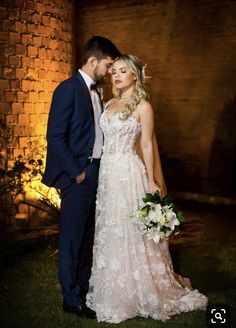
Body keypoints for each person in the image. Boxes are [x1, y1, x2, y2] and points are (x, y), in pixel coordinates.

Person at [86, 54, 208, 323]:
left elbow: (147, 145)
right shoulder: (109, 103)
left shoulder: (143, 106)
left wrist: (152, 180)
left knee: (132, 229)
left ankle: (144, 288)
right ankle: (114, 291)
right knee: (111, 227)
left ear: (134, 76)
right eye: (114, 71)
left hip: (129, 173)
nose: (117, 75)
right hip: (108, 174)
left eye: (123, 71)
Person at [42, 36, 121, 319]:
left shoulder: (97, 92)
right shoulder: (68, 89)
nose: (111, 71)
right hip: (79, 174)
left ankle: (84, 291)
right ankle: (71, 299)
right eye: (109, 65)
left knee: (88, 236)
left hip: (99, 171)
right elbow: (55, 136)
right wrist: (77, 173)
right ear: (93, 61)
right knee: (73, 238)